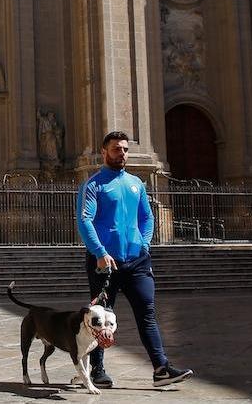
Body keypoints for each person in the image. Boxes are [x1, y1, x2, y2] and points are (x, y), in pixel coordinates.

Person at [76, 131, 193, 388]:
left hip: (137, 261)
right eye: (117, 149)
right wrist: (100, 252)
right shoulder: (93, 184)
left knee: (147, 314)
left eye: (125, 149)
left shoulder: (136, 183)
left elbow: (147, 217)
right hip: (105, 263)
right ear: (104, 151)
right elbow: (84, 220)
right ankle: (97, 371)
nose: (122, 153)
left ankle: (161, 368)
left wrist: (144, 243)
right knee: (100, 318)